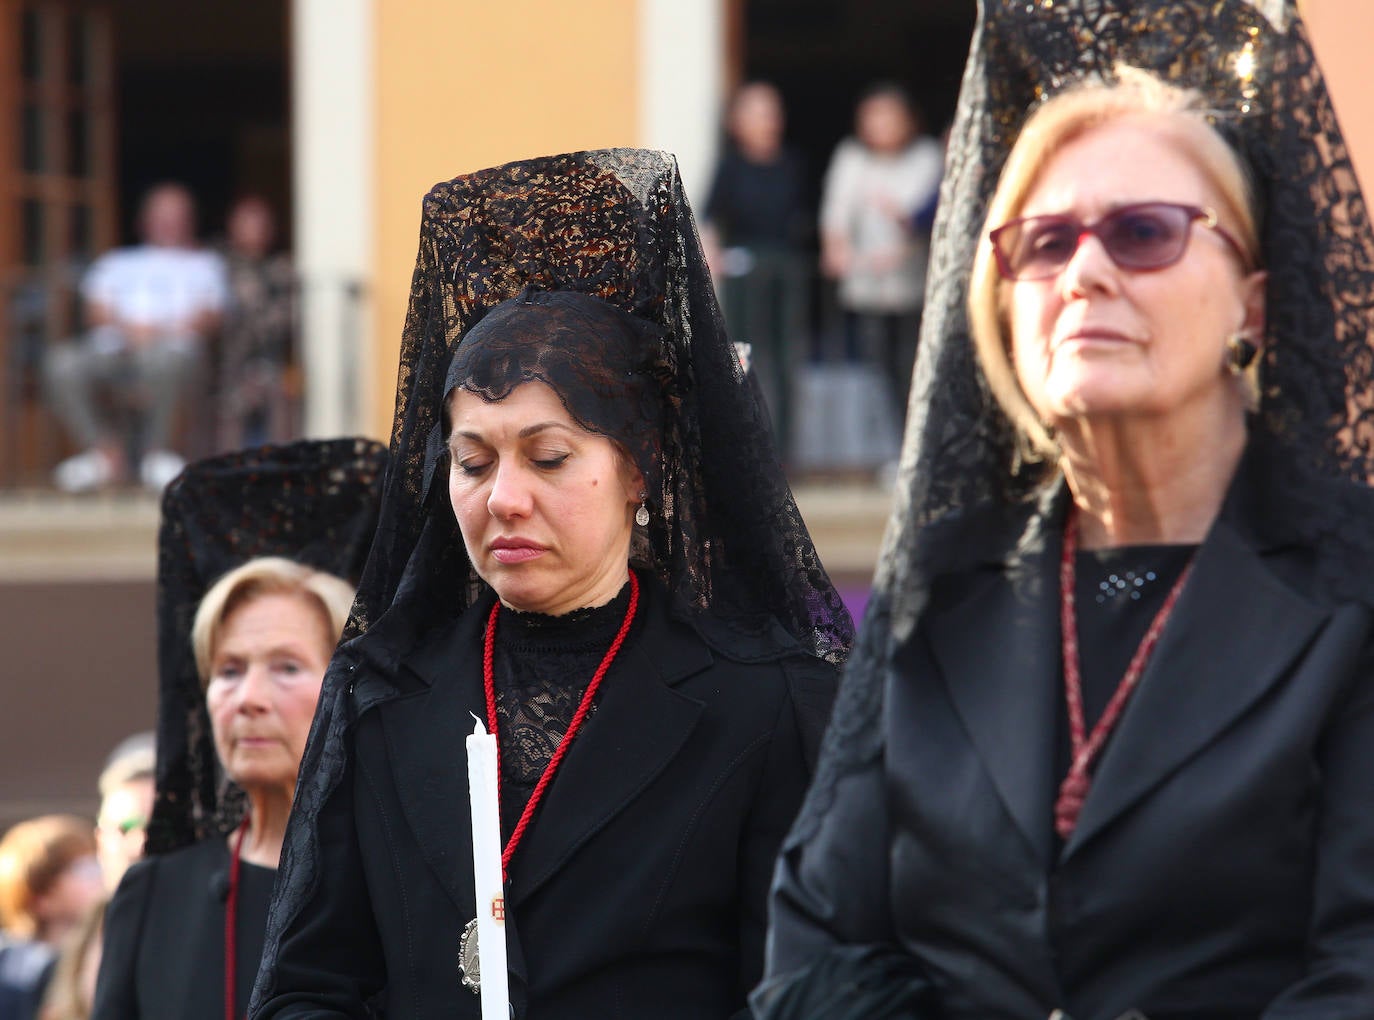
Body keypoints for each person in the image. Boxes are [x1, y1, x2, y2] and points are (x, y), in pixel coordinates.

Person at [757, 2, 1374, 1018]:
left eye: (1143, 233)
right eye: (1044, 243)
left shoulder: (1350, 593)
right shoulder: (937, 594)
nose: (1084, 271)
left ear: (1253, 308)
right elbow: (812, 956)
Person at [249, 150, 852, 1019]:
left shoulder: (764, 700)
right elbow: (308, 988)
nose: (503, 498)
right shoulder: (380, 694)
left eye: (549, 457)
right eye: (471, 462)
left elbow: (802, 996)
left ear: (640, 468)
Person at [88, 439, 386, 1020]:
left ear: (347, 687)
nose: (248, 698)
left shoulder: (395, 886)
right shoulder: (150, 896)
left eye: (286, 667)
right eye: (228, 670)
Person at [45, 182, 227, 493]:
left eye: (177, 215)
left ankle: (155, 455)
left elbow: (211, 316)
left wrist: (156, 332)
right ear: (145, 220)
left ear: (189, 220)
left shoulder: (206, 265)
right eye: (162, 215)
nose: (169, 222)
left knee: (163, 360)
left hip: (174, 353)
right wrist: (132, 331)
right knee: (62, 362)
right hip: (114, 350)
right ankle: (104, 453)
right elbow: (96, 310)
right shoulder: (117, 261)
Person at [818, 83, 942, 426]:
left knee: (915, 364)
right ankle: (891, 443)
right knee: (878, 366)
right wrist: (837, 248)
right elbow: (836, 211)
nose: (880, 125)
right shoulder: (852, 157)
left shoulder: (926, 156)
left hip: (913, 284)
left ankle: (917, 440)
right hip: (866, 282)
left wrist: (900, 249)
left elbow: (932, 216)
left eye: (889, 117)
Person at [702, 82, 811, 459]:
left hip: (785, 267)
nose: (766, 121)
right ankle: (750, 449)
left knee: (787, 358)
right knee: (747, 356)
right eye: (756, 112)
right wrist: (713, 260)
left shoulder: (792, 164)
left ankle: (785, 453)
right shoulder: (730, 167)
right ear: (736, 122)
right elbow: (710, 218)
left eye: (771, 111)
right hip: (745, 271)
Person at [216, 196, 297, 450]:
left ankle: (279, 474)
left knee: (280, 396)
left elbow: (288, 319)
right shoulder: (218, 266)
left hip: (271, 364)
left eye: (261, 224)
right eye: (248, 223)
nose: (256, 230)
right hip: (224, 370)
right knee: (231, 407)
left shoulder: (282, 269)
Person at [93, 734, 155, 894]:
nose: (139, 844)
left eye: (155, 829)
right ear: (100, 839)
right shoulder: (86, 918)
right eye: (125, 828)